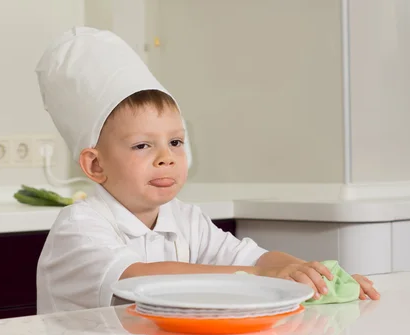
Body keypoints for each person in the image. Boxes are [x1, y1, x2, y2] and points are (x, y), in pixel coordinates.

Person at [34, 27, 380, 314]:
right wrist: (266, 274)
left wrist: (316, 275)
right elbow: (138, 279)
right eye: (142, 145)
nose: (165, 157)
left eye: (176, 142)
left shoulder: (184, 219)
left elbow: (252, 257)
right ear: (95, 164)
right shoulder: (79, 229)